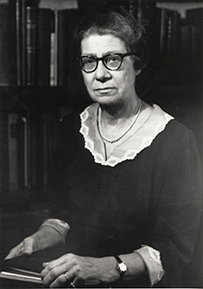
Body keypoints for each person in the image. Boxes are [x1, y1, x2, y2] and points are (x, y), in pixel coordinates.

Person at [5, 5, 202, 288]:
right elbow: (64, 216)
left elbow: (175, 251)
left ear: (138, 64)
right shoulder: (72, 127)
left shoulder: (176, 142)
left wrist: (107, 267)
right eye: (89, 61)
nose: (100, 74)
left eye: (113, 59)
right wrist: (37, 239)